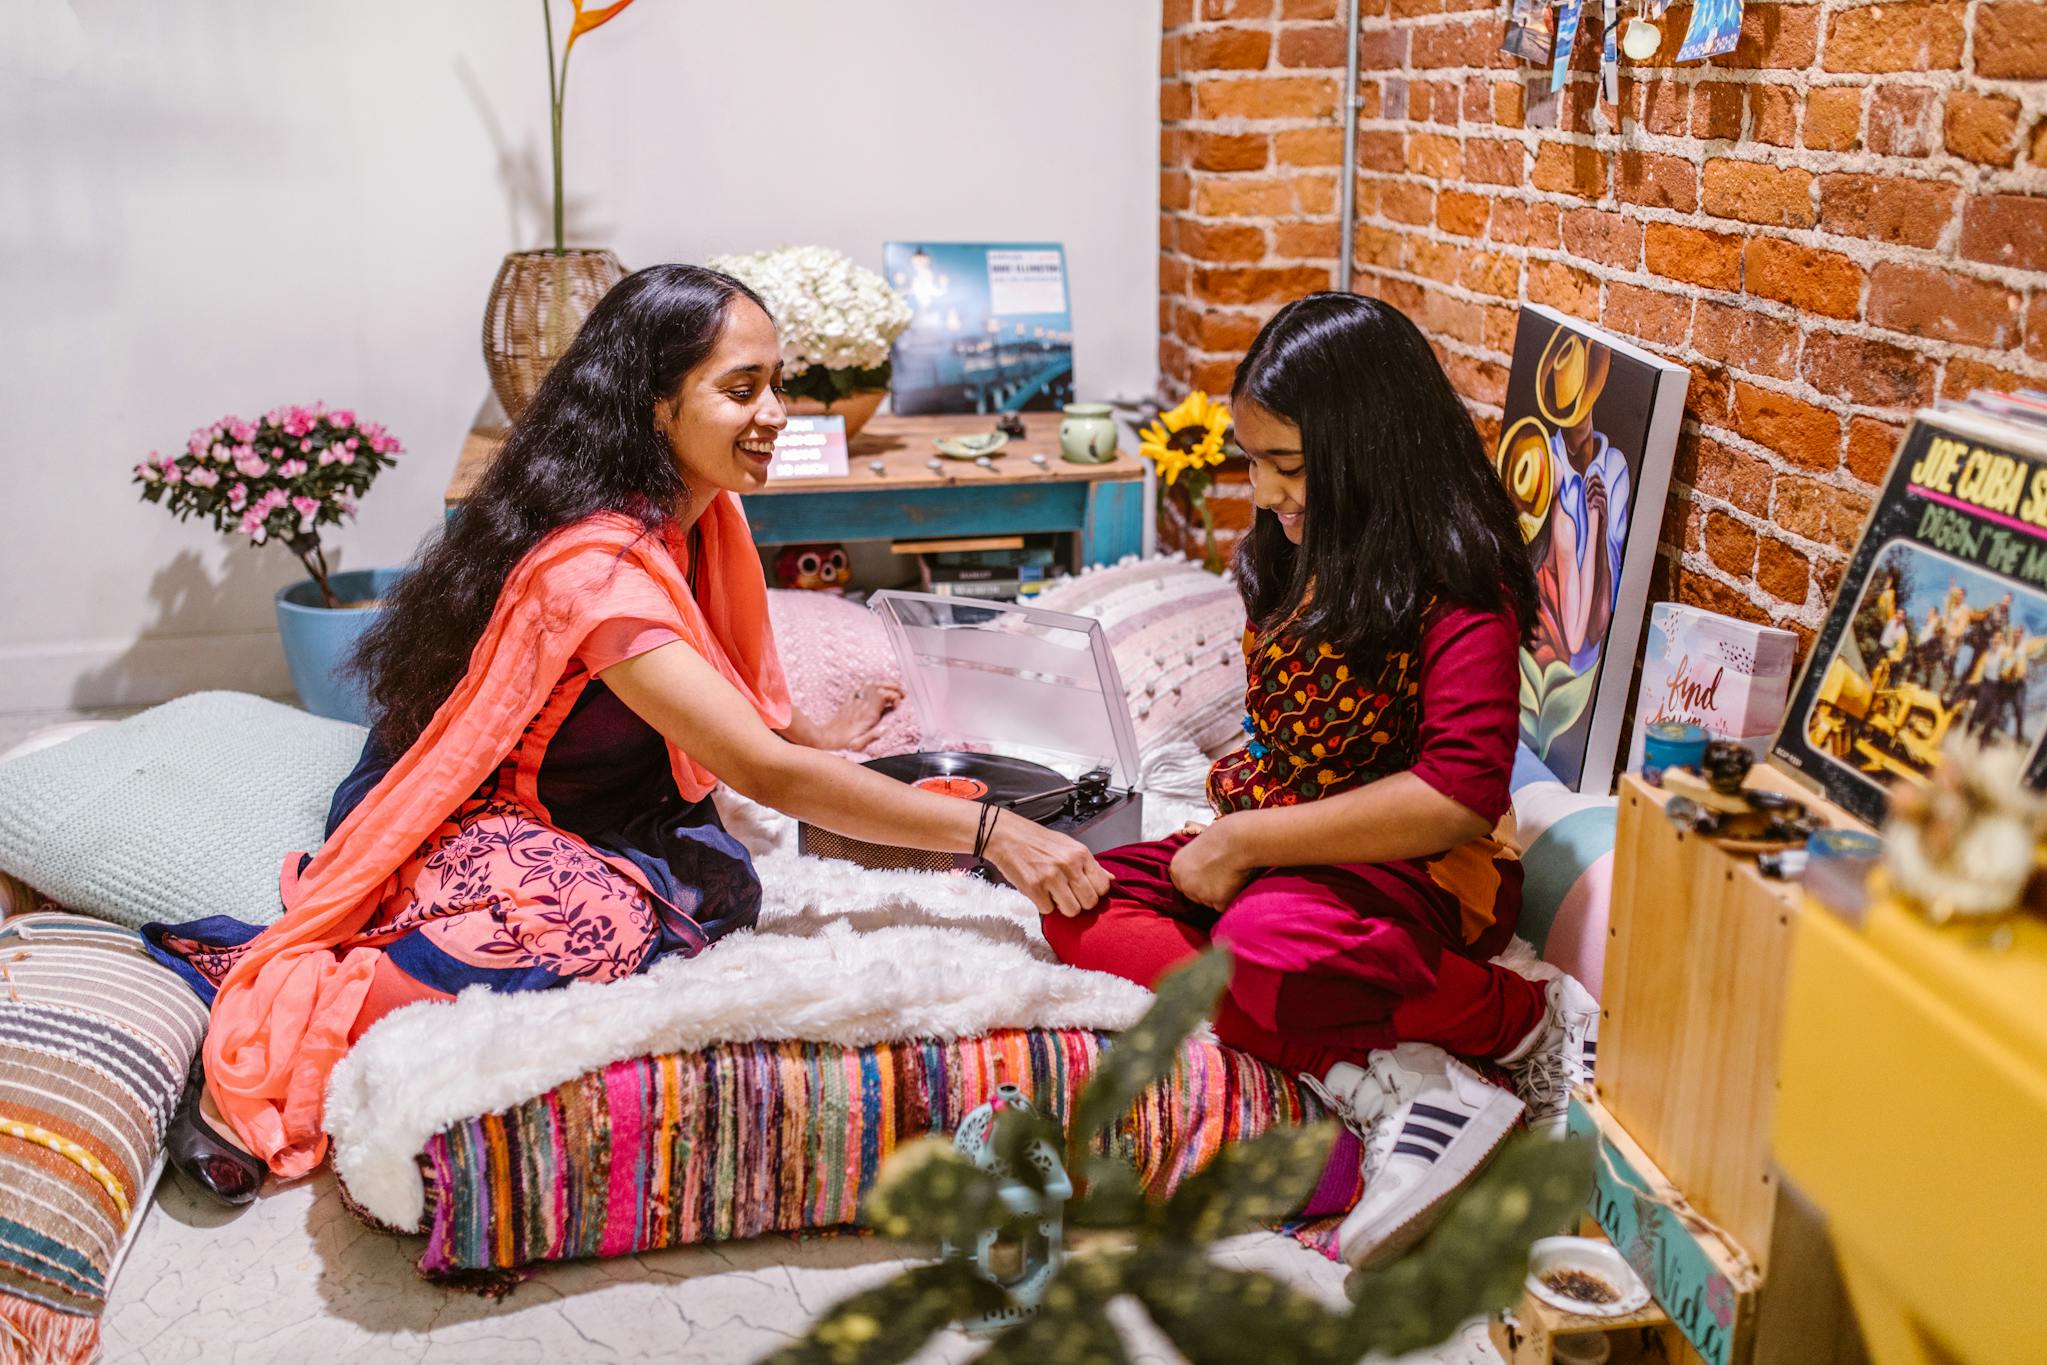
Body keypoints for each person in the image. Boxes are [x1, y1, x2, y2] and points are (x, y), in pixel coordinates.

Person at [153, 265, 1110, 1200]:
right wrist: (991, 832)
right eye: (743, 389)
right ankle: (320, 1003)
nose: (777, 412)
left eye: (778, 384)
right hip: (480, 809)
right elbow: (761, 769)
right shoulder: (599, 569)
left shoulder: (697, 516)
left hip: (603, 810)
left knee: (715, 889)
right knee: (597, 927)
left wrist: (816, 729)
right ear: (656, 408)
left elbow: (738, 687)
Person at [1039, 294, 1598, 1269]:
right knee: (1078, 900)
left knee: (1260, 944)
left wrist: (1246, 843)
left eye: (1284, 467)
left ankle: (1524, 1022)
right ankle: (1401, 1075)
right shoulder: (1299, 550)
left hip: (1419, 868)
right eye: (1250, 461)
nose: (1259, 493)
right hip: (1293, 839)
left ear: (1364, 454)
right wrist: (1242, 836)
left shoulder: (1458, 581)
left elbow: (1458, 793)